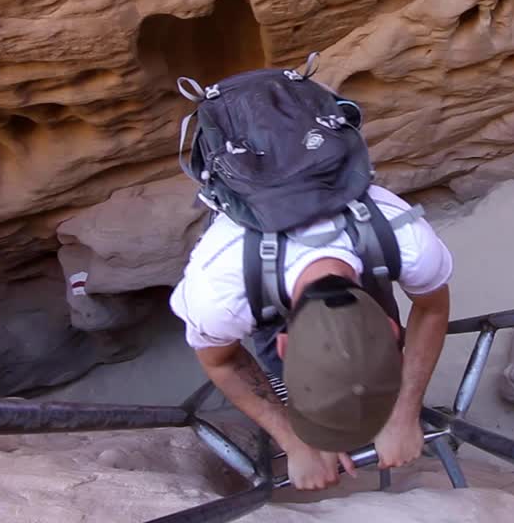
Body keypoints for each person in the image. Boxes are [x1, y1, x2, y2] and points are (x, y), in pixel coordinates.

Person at [170, 183, 452, 491]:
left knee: (359, 362)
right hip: (257, 273)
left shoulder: (406, 240)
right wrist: (294, 441)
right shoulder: (219, 294)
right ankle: (321, 414)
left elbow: (432, 310)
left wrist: (404, 412)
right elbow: (222, 362)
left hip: (315, 261)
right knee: (327, 372)